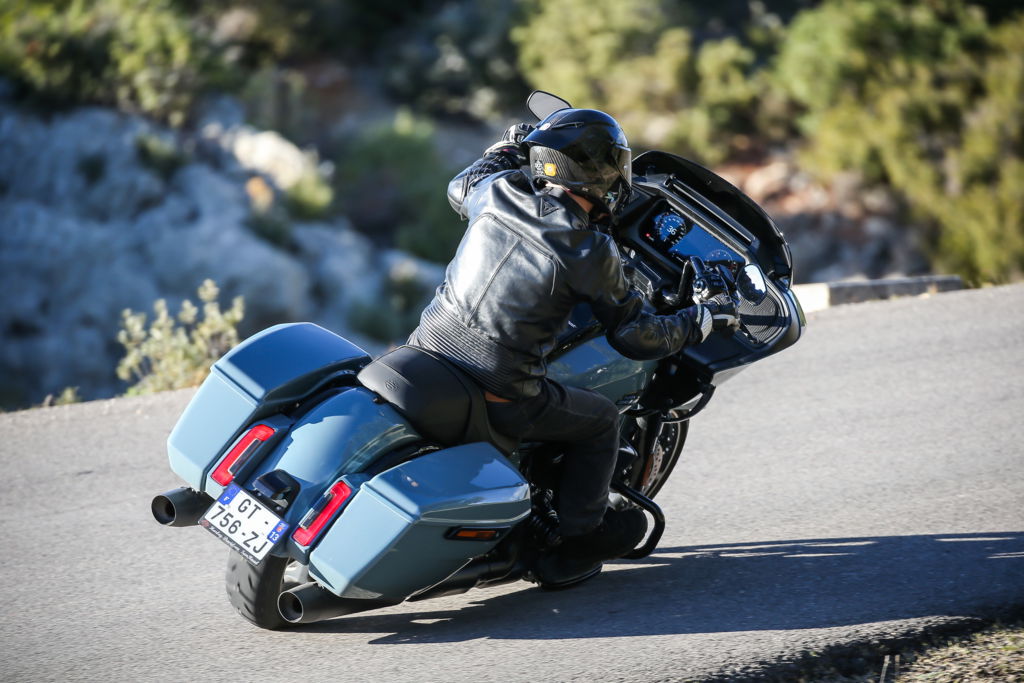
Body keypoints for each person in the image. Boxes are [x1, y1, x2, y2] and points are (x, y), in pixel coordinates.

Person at [407, 107, 738, 585]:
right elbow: (637, 336)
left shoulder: (497, 193)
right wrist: (699, 318)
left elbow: (464, 181)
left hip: (427, 355)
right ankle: (579, 538)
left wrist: (509, 146)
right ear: (603, 172)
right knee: (601, 421)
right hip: (500, 392)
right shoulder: (588, 249)